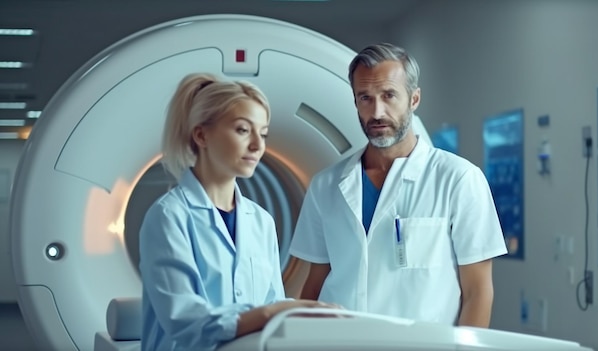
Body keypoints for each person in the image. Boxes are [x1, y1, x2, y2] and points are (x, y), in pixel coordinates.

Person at [289, 43, 508, 328]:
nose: (377, 111)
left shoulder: (459, 179)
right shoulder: (326, 185)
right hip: (341, 342)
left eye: (389, 95)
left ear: (414, 99)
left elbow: (478, 292)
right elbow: (316, 281)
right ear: (355, 101)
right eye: (365, 97)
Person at [139, 73, 335, 351]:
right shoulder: (168, 217)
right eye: (243, 130)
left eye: (263, 133)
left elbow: (270, 303)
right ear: (201, 134)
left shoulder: (261, 221)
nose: (258, 145)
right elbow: (185, 322)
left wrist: (304, 312)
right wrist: (269, 314)